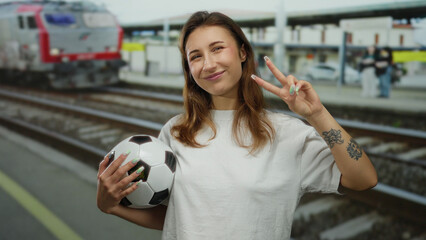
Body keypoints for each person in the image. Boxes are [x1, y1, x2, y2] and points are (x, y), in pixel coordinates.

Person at [96, 11, 378, 240]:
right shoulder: (175, 131)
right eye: (195, 56)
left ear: (243, 53)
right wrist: (110, 206)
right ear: (189, 69)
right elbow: (176, 219)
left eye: (218, 48)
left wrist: (316, 114)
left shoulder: (288, 133)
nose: (208, 64)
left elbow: (364, 179)